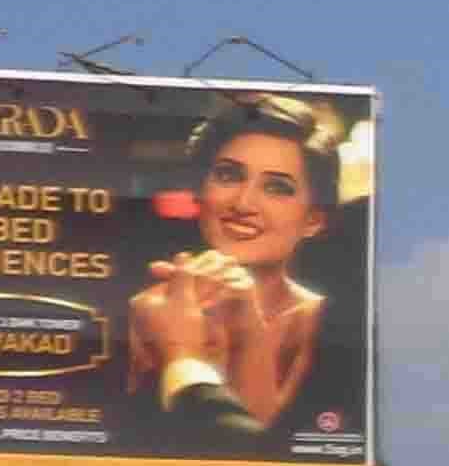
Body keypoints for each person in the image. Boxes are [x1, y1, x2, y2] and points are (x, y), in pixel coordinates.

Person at [123, 93, 350, 438]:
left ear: (314, 220)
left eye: (277, 188)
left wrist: (247, 328)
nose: (243, 203)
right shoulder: (148, 307)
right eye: (228, 176)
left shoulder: (327, 325)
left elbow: (256, 458)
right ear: (200, 192)